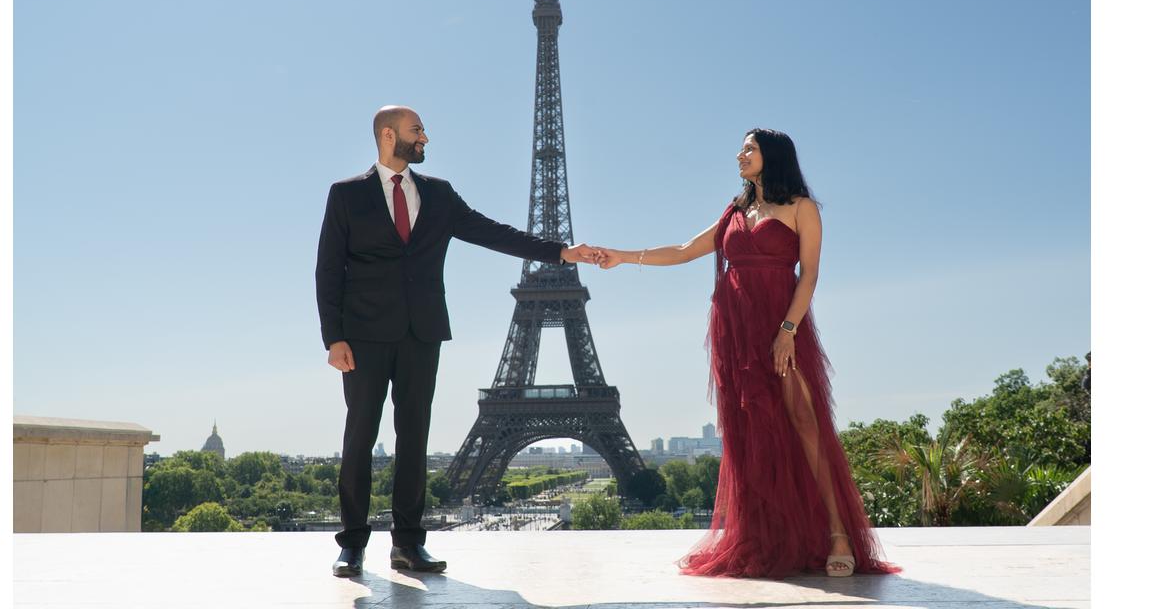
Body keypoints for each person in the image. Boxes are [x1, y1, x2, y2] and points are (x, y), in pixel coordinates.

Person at [596, 129, 899, 578]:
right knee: (751, 434)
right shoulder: (735, 211)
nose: (740, 154)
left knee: (804, 423)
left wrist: (788, 331)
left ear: (772, 156)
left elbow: (810, 275)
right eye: (742, 148)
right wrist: (622, 256)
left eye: (749, 148)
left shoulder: (802, 208)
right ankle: (766, 536)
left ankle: (838, 533)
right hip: (735, 328)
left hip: (782, 325)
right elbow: (684, 251)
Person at [316, 105, 599, 577]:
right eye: (416, 130)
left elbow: (491, 232)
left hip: (421, 333)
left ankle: (408, 544)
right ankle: (352, 544)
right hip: (363, 336)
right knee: (359, 437)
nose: (425, 137)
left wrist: (559, 252)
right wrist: (333, 338)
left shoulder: (439, 195)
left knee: (414, 440)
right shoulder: (346, 195)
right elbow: (328, 269)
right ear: (388, 136)